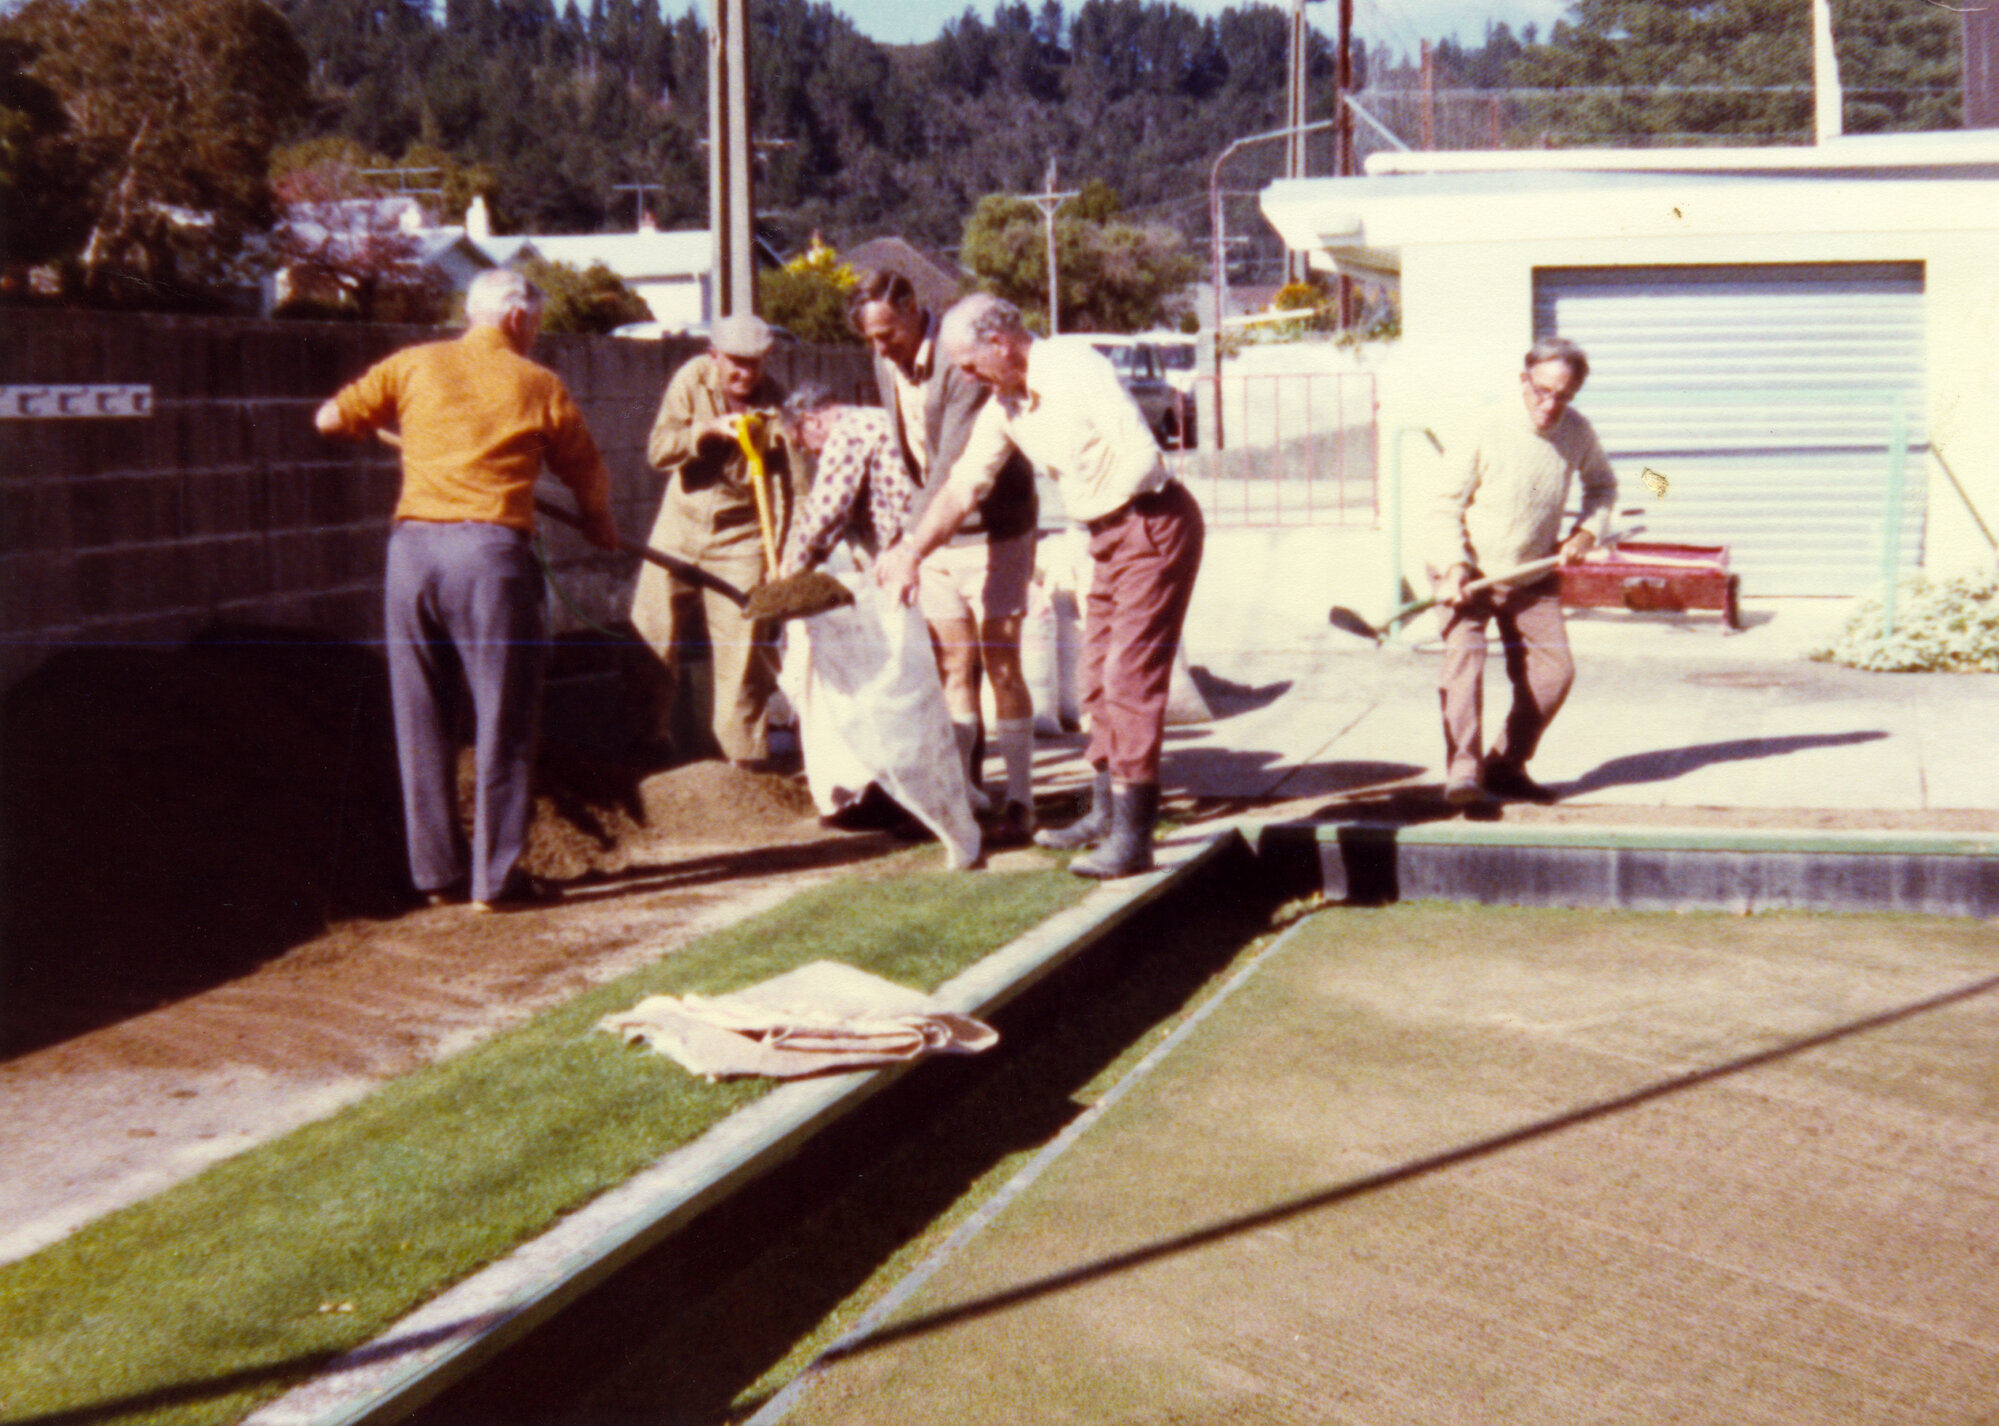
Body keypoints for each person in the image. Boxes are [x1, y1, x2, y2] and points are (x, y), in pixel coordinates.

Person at [314, 269, 619, 911]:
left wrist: (364, 421)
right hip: (488, 558)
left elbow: (329, 419)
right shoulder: (538, 384)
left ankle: (437, 876)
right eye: (534, 322)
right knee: (503, 715)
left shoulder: (412, 365)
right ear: (515, 319)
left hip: (412, 556)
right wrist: (598, 522)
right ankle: (497, 880)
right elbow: (585, 471)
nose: (535, 334)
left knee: (420, 714)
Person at [875, 294, 1203, 880]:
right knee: (1094, 674)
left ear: (1000, 343)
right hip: (1103, 532)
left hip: (1151, 521)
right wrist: (910, 551)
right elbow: (961, 486)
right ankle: (1104, 813)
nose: (965, 376)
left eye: (969, 363)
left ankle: (1134, 838)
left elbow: (1141, 456)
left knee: (1128, 677)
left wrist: (1102, 521)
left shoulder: (1074, 366)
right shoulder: (1005, 407)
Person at [849, 270, 1041, 847]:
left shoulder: (963, 364)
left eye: (888, 333)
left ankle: (1022, 802)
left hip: (993, 527)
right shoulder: (887, 362)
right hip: (934, 538)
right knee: (953, 668)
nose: (882, 349)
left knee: (1001, 664)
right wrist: (910, 540)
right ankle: (958, 797)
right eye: (872, 340)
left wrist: (907, 543)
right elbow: (910, 456)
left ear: (911, 307)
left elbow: (954, 468)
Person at [1428, 336, 1618, 807]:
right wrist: (1453, 565)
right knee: (1464, 667)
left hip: (1532, 576)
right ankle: (1465, 773)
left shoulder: (1577, 431)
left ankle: (1506, 765)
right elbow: (1440, 506)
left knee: (1555, 673)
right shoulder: (1484, 426)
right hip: (1468, 573)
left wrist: (1585, 534)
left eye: (1564, 396)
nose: (1551, 405)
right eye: (1542, 391)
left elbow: (1604, 487)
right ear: (1523, 380)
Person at [630, 314, 793, 769]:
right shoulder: (691, 380)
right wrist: (704, 431)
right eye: (736, 365)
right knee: (650, 632)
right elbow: (658, 449)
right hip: (678, 527)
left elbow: (787, 490)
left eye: (756, 365)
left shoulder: (777, 405)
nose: (746, 375)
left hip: (742, 536)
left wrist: (781, 557)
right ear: (713, 357)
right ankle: (649, 746)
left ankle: (744, 765)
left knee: (742, 651)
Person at [775, 383, 921, 577]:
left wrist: (794, 566)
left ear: (811, 421)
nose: (807, 453)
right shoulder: (870, 415)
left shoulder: (845, 433)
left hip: (910, 537)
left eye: (800, 443)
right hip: (922, 525)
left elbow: (825, 509)